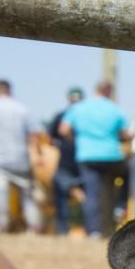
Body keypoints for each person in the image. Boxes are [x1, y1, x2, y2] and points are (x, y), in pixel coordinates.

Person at [59, 80, 130, 238]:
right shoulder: (114, 108)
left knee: (91, 194)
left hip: (87, 156)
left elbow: (63, 130)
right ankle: (120, 205)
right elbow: (125, 133)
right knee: (128, 173)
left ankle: (94, 231)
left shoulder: (78, 108)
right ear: (109, 91)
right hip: (112, 157)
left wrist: (75, 140)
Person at [0, 79, 43, 233]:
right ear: (10, 90)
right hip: (20, 159)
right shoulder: (22, 109)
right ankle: (34, 227)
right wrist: (37, 156)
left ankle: (3, 227)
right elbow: (34, 135)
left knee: (0, 195)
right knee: (28, 196)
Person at [48, 87, 84, 235]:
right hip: (85, 161)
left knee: (62, 195)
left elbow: (51, 138)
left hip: (66, 161)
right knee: (89, 196)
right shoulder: (87, 114)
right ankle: (88, 228)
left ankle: (63, 229)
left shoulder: (61, 115)